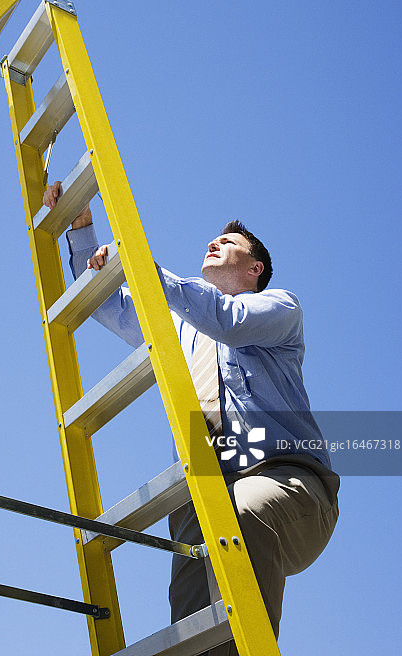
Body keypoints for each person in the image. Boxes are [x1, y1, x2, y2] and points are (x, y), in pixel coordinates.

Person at [43, 182, 340, 654]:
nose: (213, 242)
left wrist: (139, 267)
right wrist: (83, 232)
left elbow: (227, 320)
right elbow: (107, 305)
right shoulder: (179, 324)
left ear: (255, 268)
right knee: (189, 610)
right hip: (201, 487)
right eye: (213, 239)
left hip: (288, 484)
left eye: (229, 242)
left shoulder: (280, 309)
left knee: (242, 512)